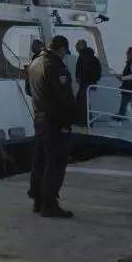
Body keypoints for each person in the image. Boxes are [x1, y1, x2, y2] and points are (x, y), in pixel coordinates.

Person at [26, 35, 75, 218]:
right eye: (64, 52)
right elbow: (63, 97)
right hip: (56, 120)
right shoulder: (54, 66)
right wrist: (69, 119)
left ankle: (38, 199)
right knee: (56, 162)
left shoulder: (35, 63)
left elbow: (29, 90)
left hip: (39, 118)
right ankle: (49, 203)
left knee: (39, 160)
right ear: (61, 49)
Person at [73, 39, 102, 126]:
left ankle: (86, 122)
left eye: (77, 45)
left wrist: (81, 78)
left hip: (86, 82)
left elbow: (83, 69)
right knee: (83, 101)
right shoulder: (89, 56)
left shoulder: (84, 56)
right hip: (89, 82)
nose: (76, 47)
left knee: (82, 101)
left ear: (82, 45)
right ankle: (86, 121)